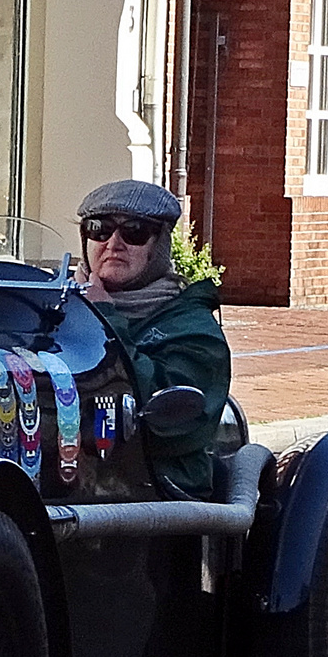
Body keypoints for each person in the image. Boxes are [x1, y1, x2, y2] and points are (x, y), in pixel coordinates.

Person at [76, 179, 230, 499]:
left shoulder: (194, 330)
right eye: (99, 229)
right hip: (67, 476)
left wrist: (104, 316)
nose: (114, 243)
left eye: (134, 231)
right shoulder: (57, 308)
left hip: (159, 490)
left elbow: (170, 429)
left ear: (158, 245)